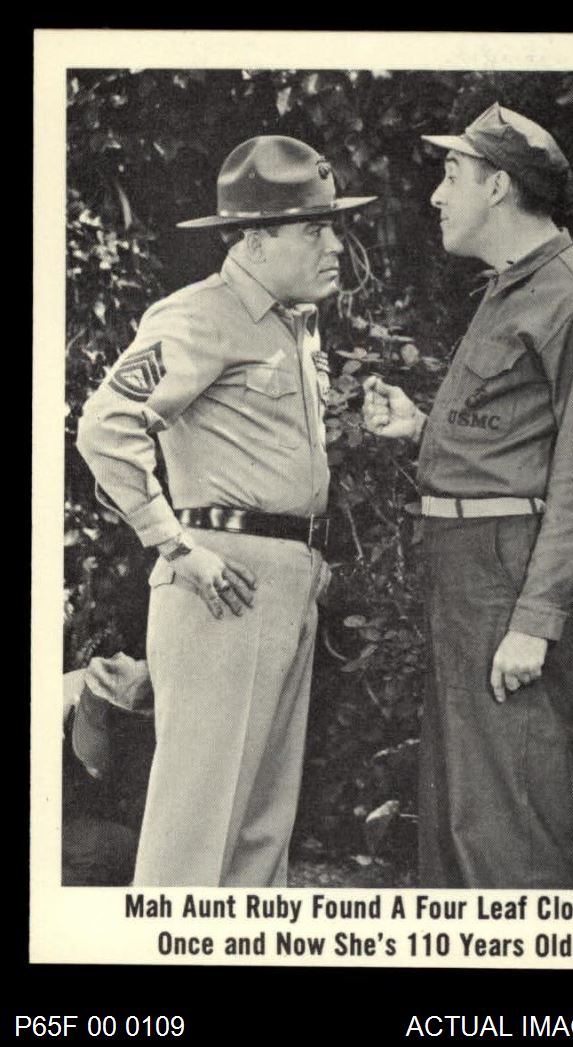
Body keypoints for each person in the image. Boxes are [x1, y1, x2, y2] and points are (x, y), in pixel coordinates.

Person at [77, 135, 376, 886]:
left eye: (332, 226)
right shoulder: (202, 316)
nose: (334, 246)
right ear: (255, 238)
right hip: (221, 585)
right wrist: (174, 545)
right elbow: (105, 426)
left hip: (282, 584)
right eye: (315, 228)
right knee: (195, 831)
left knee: (259, 837)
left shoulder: (291, 323)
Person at [363, 103, 573, 889]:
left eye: (452, 175)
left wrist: (534, 622)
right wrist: (422, 429)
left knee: (510, 814)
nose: (436, 196)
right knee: (458, 807)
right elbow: (515, 443)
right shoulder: (510, 290)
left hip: (509, 575)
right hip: (465, 568)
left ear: (499, 186)